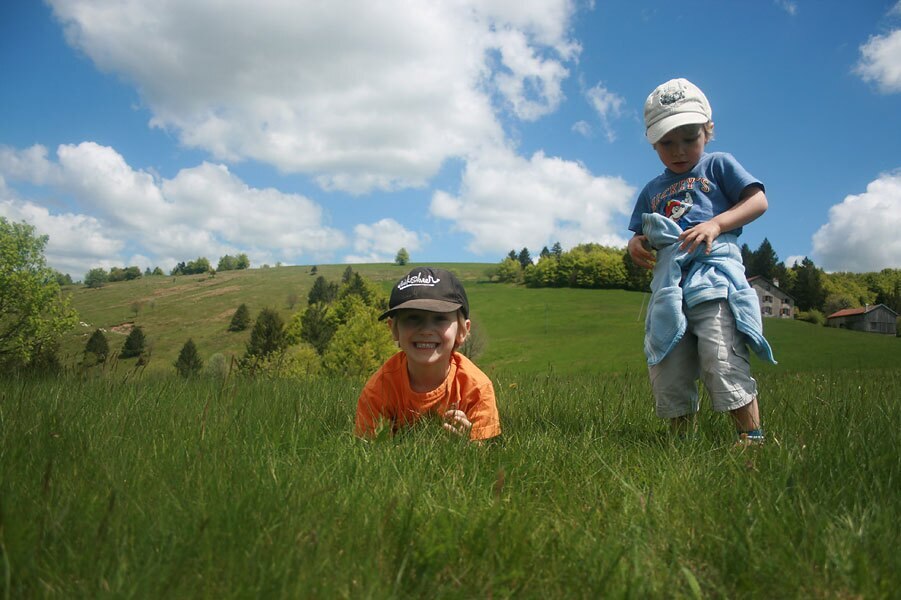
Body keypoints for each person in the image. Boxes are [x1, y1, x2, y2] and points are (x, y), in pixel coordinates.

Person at [627, 78, 776, 445]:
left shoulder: (718, 165)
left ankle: (751, 436)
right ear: (652, 142)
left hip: (713, 275)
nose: (679, 151)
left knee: (719, 351)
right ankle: (682, 443)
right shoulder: (652, 190)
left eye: (689, 138)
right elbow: (638, 233)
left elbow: (758, 201)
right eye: (667, 143)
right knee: (669, 360)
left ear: (708, 131)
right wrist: (636, 245)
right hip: (669, 283)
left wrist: (716, 223)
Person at [355, 267, 501, 442]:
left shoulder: (477, 389)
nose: (425, 330)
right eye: (413, 318)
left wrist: (467, 444)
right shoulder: (379, 389)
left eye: (440, 318)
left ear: (462, 331)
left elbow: (483, 457)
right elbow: (367, 451)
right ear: (394, 329)